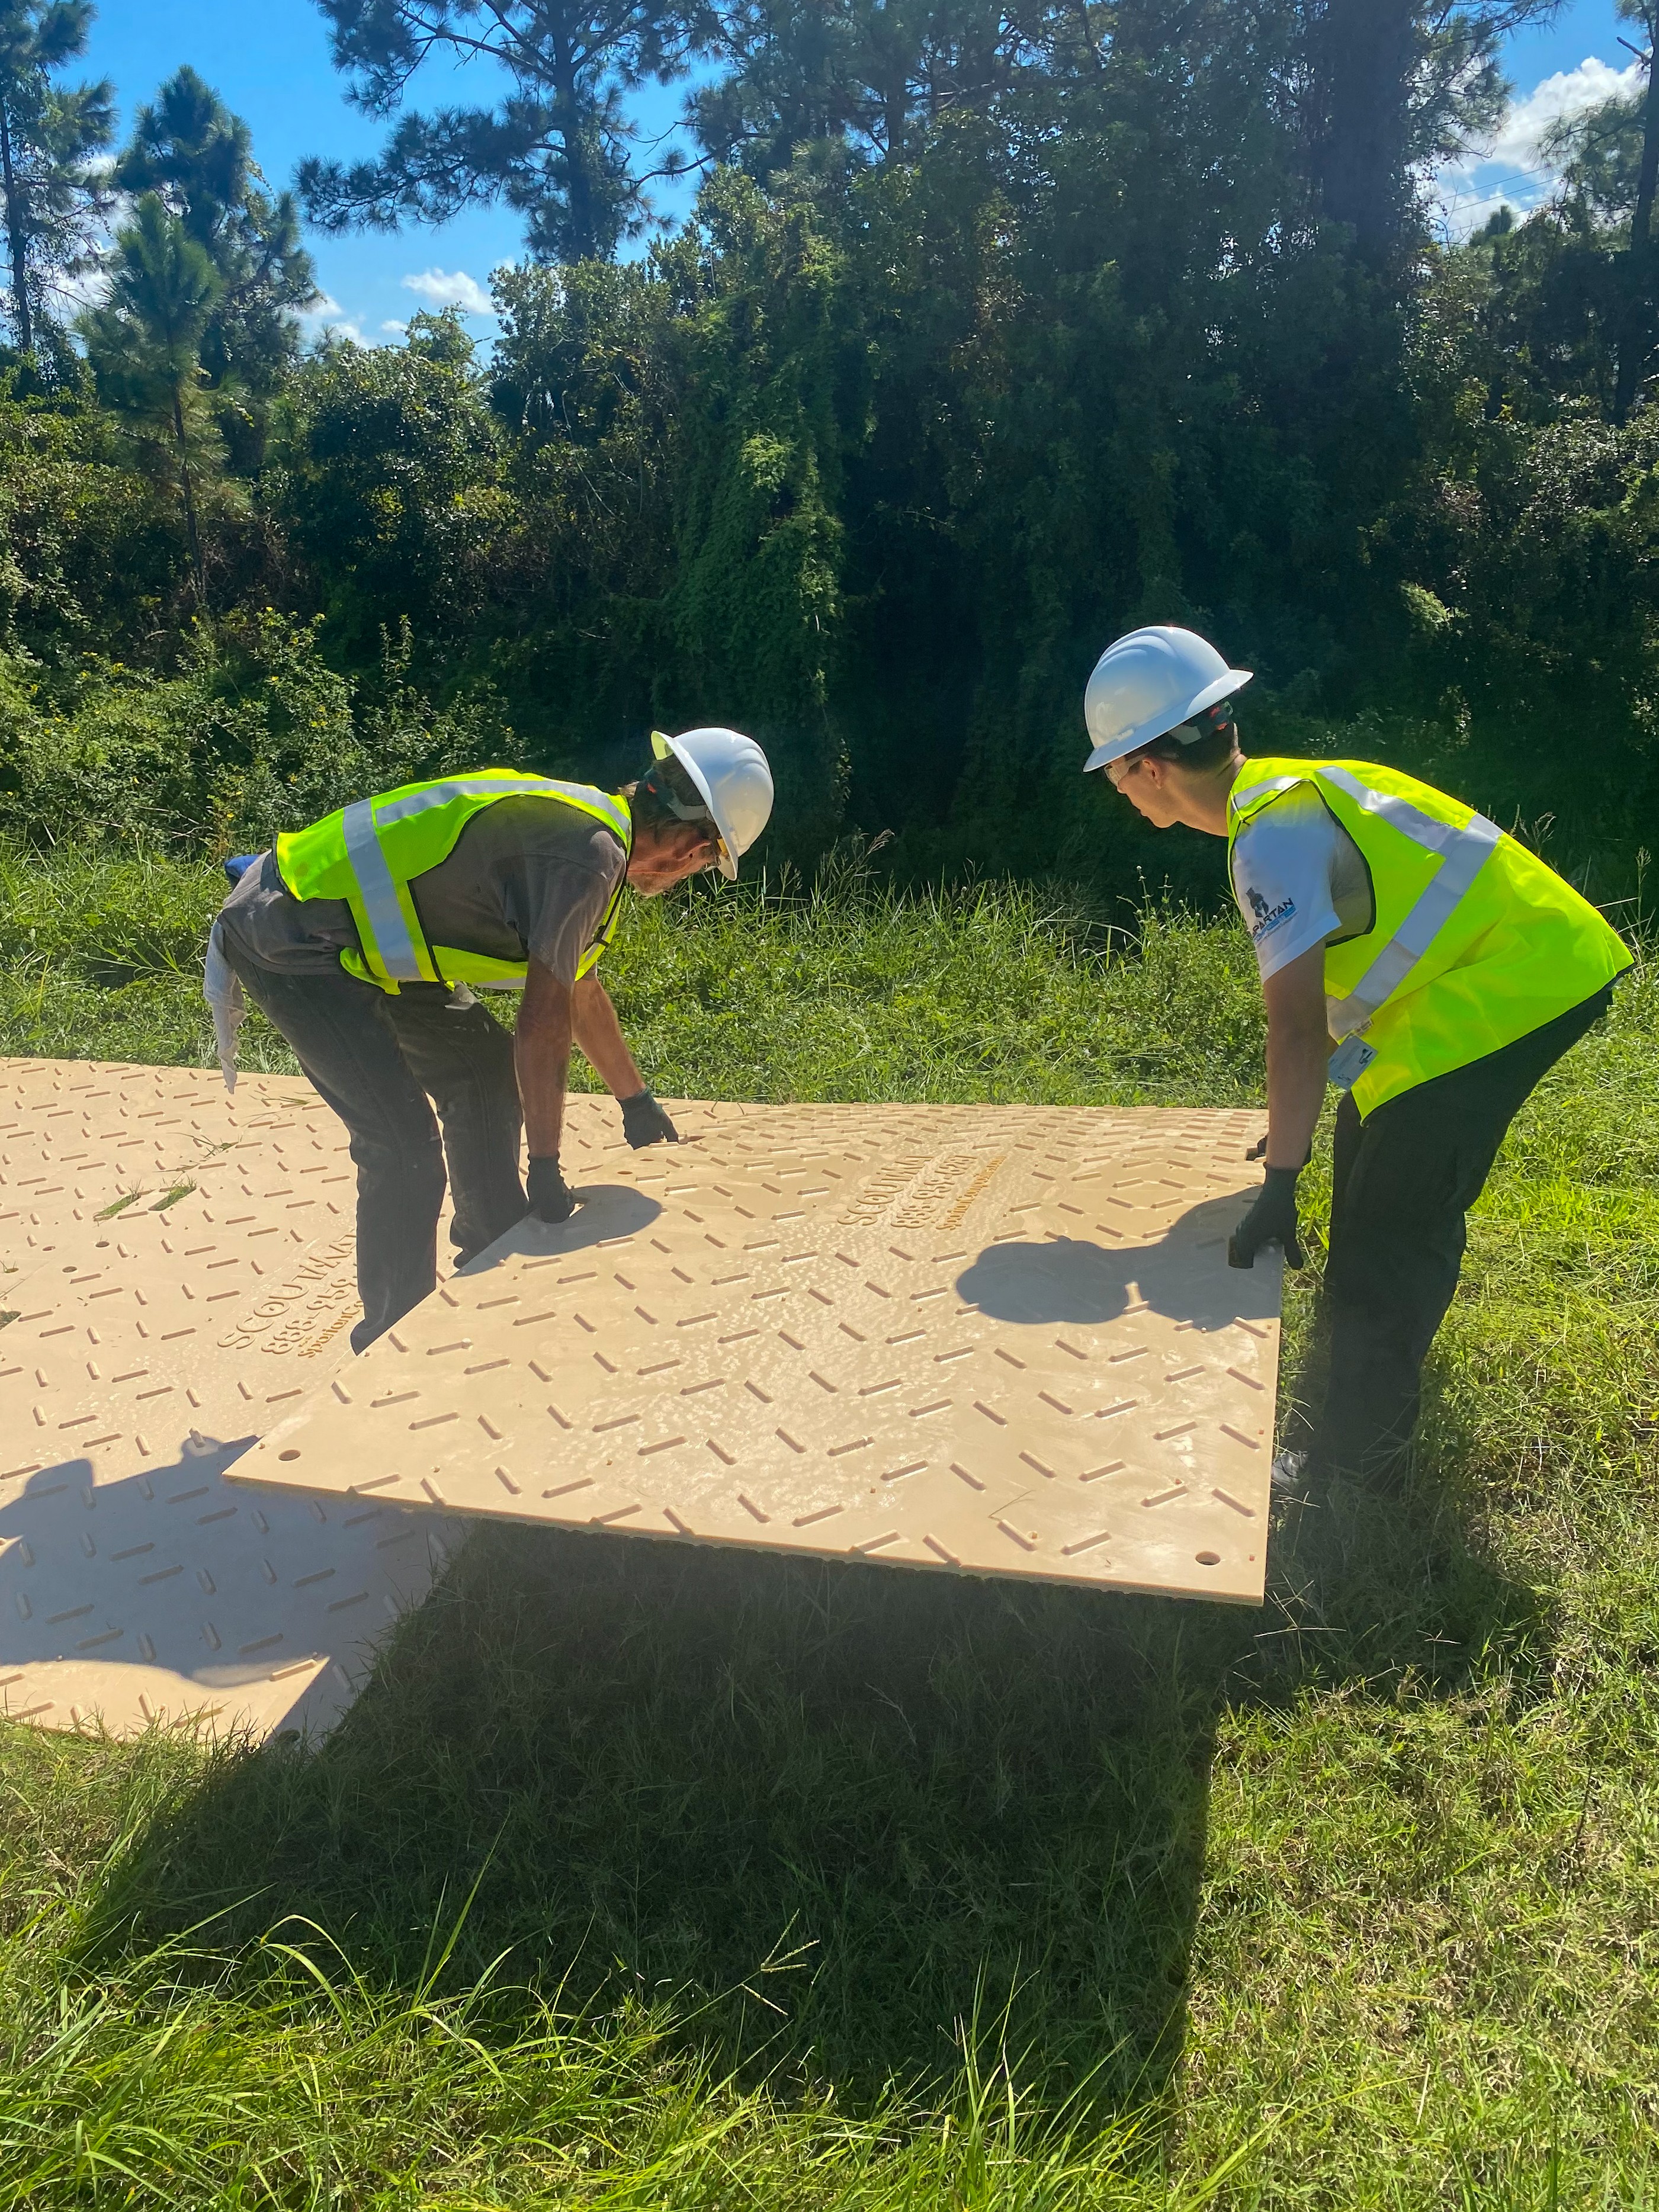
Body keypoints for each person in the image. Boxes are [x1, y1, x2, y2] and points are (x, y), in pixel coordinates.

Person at [1082, 625, 1631, 1491]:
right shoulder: (1288, 794)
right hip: (1496, 968)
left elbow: (1296, 1028)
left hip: (1521, 984)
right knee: (1363, 1142)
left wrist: (1280, 1184)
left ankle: (1356, 1469)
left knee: (1387, 1228)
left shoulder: (1270, 836)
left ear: (1149, 766)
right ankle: (1362, 1379)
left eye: (1112, 770)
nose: (1118, 788)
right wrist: (1290, 1143)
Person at [206, 730, 774, 1351]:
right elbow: (543, 1021)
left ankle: (492, 1248)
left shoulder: (590, 838)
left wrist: (633, 1101)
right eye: (705, 863)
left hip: (362, 945)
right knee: (401, 1146)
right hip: (290, 935)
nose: (691, 874)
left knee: (481, 1074)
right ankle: (393, 1341)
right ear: (692, 845)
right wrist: (546, 1165)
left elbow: (579, 986)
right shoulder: (587, 856)